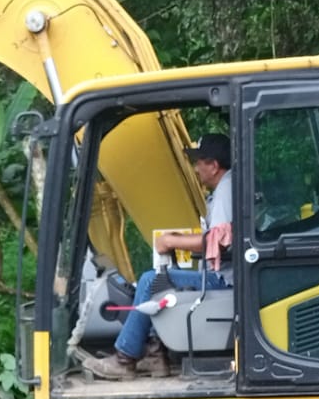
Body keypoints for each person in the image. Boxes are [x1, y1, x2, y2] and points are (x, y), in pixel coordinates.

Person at [80, 132, 233, 379]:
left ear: (214, 166)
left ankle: (125, 358)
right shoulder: (226, 188)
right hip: (222, 278)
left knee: (150, 281)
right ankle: (155, 357)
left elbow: (218, 242)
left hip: (223, 283)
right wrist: (177, 239)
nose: (195, 169)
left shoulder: (226, 189)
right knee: (162, 281)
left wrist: (172, 241)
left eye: (199, 163)